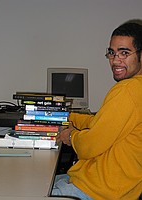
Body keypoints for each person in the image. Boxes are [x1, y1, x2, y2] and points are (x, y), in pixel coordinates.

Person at [51, 22, 142, 200]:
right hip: (117, 188)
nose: (115, 60)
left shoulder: (127, 90)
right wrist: (70, 116)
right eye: (112, 53)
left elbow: (90, 145)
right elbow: (100, 123)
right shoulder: (136, 89)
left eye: (124, 53)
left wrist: (69, 136)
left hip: (97, 190)